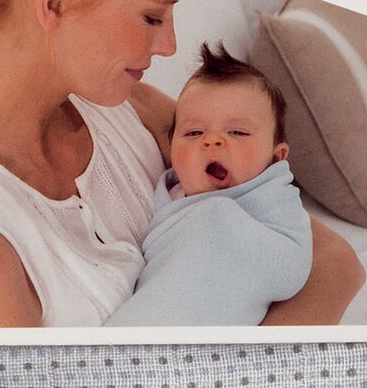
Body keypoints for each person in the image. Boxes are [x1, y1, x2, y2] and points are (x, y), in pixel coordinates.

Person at [0, 0, 362, 329]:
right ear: (55, 2)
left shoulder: (128, 110)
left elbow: (333, 262)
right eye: (153, 17)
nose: (169, 45)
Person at [105, 43, 312, 326]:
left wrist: (220, 220)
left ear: (276, 158)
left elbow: (290, 267)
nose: (212, 141)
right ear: (171, 148)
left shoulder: (274, 199)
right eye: (194, 132)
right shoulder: (169, 195)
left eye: (237, 132)